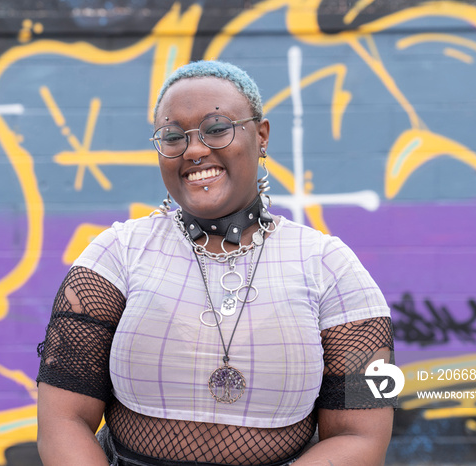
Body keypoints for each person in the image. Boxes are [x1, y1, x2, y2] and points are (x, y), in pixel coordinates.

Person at [36, 60, 395, 466]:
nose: (194, 150)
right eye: (172, 137)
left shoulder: (332, 267)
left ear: (261, 136)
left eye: (217, 129)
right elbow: (62, 421)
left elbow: (364, 436)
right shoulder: (114, 256)